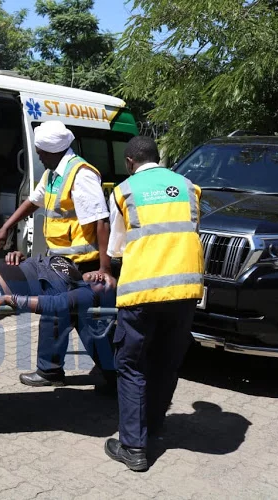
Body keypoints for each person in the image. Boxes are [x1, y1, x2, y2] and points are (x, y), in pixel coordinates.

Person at [103, 136, 204, 472]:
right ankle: (154, 427)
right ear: (158, 158)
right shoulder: (188, 187)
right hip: (185, 289)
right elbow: (190, 231)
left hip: (142, 291)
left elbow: (116, 247)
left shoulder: (125, 191)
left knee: (131, 364)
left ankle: (133, 447)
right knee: (165, 361)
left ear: (130, 162)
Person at [0, 120, 113, 387]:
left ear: (54, 151)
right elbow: (32, 202)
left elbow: (101, 221)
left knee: (78, 318)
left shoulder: (81, 175)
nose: (38, 157)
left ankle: (112, 373)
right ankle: (54, 370)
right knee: (61, 315)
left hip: (83, 263)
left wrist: (105, 269)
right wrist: (7, 226)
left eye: (41, 153)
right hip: (60, 261)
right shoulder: (53, 174)